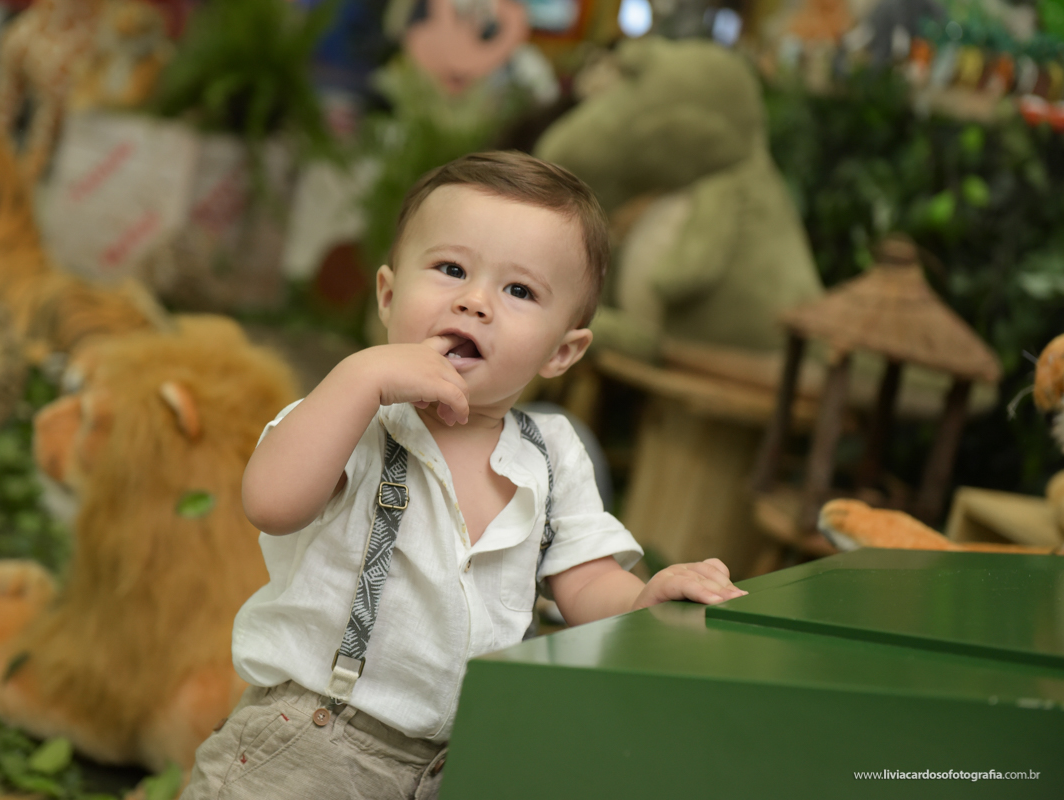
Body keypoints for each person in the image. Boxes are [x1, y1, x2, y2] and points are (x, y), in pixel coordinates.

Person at [182, 151, 747, 800]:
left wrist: (641, 602)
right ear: (389, 296)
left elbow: (587, 583)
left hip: (459, 762)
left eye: (519, 291)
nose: (474, 301)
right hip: (312, 745)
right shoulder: (356, 419)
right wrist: (362, 376)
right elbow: (272, 501)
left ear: (562, 351)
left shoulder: (553, 453)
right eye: (451, 269)